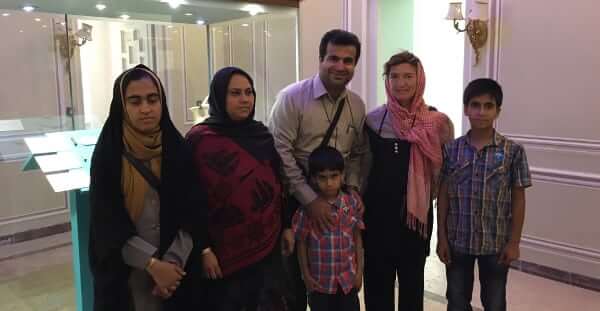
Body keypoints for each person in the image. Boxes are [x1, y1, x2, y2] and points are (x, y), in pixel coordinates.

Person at [268, 29, 368, 311]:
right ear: (320, 59)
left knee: (338, 277)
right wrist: (310, 201)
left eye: (348, 61)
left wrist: (352, 190)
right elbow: (280, 153)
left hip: (338, 201)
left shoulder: (356, 105)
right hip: (297, 203)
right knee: (297, 285)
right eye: (333, 58)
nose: (340, 66)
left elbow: (358, 153)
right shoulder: (292, 98)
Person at [89, 64, 202, 310]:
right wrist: (153, 265)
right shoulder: (108, 156)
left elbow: (192, 212)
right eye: (135, 101)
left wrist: (171, 267)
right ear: (122, 106)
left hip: (175, 274)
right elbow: (107, 223)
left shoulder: (178, 150)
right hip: (128, 276)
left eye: (153, 99)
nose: (146, 109)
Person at [186, 66, 294, 311]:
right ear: (219, 97)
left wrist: (286, 225)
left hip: (268, 248)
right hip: (222, 254)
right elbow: (190, 200)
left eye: (248, 92)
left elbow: (278, 185)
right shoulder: (199, 140)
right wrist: (203, 249)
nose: (244, 99)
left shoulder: (261, 135)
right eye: (235, 93)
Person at [362, 51, 454, 311]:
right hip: (377, 217)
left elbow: (444, 177)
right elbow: (364, 168)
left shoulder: (438, 123)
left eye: (408, 76)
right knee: (377, 285)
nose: (401, 83)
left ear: (420, 79)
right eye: (394, 76)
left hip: (415, 220)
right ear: (386, 81)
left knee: (412, 287)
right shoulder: (373, 120)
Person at [436, 78, 532, 311]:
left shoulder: (513, 151)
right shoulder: (451, 149)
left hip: (496, 243)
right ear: (466, 108)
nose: (481, 112)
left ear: (497, 111)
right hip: (459, 240)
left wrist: (514, 242)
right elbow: (445, 193)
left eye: (488, 106)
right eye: (475, 105)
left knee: (495, 302)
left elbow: (519, 199)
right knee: (457, 301)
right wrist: (442, 237)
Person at [292, 146, 364, 311]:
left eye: (334, 176)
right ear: (313, 179)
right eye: (322, 178)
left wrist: (359, 272)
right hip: (320, 285)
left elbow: (357, 239)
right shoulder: (308, 210)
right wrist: (306, 276)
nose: (329, 183)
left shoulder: (351, 204)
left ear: (342, 176)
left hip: (347, 282)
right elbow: (301, 243)